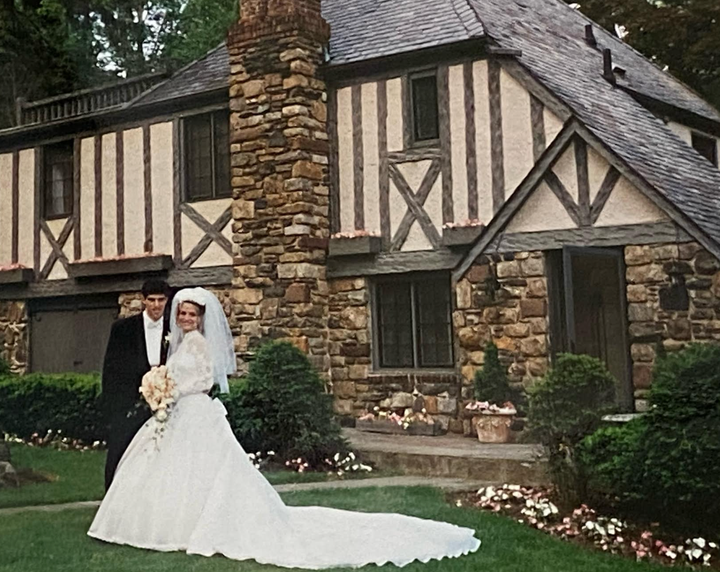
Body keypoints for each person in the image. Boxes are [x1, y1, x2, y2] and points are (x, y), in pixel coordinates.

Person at [88, 287, 481, 568]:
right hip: (175, 413)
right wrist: (162, 387)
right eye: (183, 313)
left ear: (202, 318)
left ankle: (199, 524)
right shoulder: (178, 343)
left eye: (192, 314)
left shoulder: (201, 345)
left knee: (203, 473)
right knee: (168, 471)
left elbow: (206, 381)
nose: (186, 318)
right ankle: (169, 523)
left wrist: (172, 389)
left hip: (193, 413)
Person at [101, 279, 170, 491]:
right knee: (121, 454)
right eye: (152, 300)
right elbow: (111, 370)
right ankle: (112, 501)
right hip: (129, 404)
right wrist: (115, 408)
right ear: (143, 300)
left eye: (161, 300)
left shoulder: (174, 329)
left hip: (164, 405)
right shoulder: (123, 329)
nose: (156, 305)